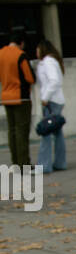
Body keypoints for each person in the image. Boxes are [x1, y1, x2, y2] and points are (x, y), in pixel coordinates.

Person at [0, 26, 35, 168]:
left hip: (6, 96)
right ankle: (24, 164)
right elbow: (30, 78)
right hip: (21, 97)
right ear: (21, 42)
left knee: (12, 130)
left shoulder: (1, 54)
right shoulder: (21, 55)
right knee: (22, 131)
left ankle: (15, 162)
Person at [35, 40, 67, 172]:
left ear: (42, 49)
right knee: (57, 133)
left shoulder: (47, 62)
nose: (36, 52)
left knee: (46, 133)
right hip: (56, 100)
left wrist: (45, 98)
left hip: (51, 102)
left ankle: (44, 166)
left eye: (37, 49)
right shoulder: (53, 61)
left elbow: (53, 81)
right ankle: (60, 163)